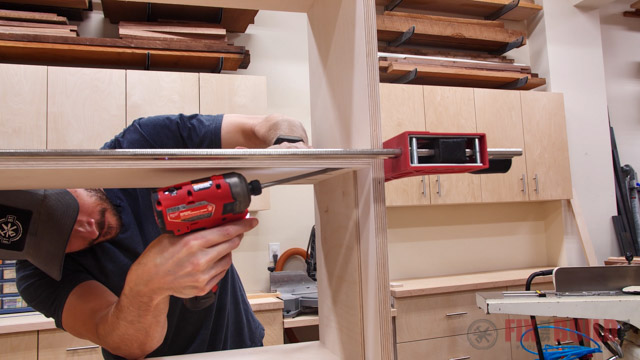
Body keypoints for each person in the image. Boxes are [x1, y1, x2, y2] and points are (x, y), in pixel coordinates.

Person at [13, 113, 310, 360]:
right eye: (62, 241)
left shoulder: (141, 146)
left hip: (241, 350)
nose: (86, 230)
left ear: (57, 172)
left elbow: (270, 125)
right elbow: (125, 341)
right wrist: (147, 287)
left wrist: (289, 145)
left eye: (66, 212)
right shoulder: (37, 276)